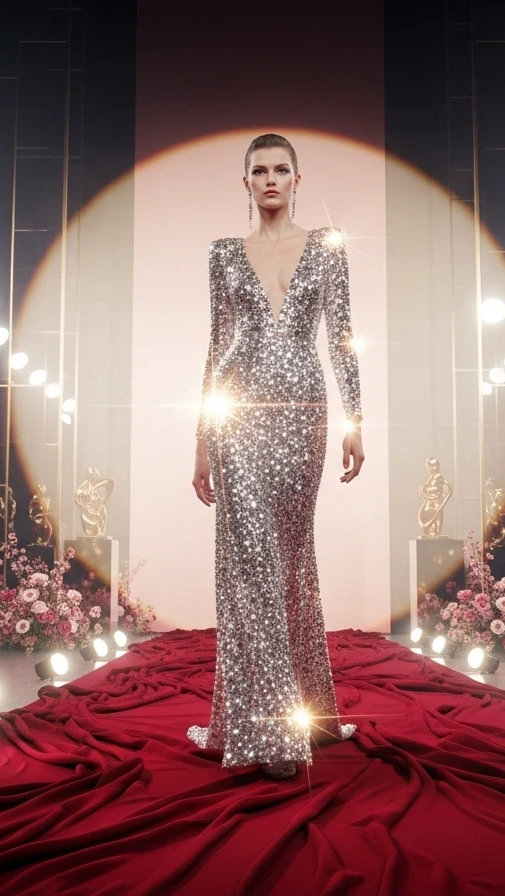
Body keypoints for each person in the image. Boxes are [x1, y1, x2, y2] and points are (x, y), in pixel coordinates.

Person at [189, 134, 365, 780]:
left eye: (280, 169)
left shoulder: (327, 246)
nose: (270, 179)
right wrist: (201, 439)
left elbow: (341, 339)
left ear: (296, 179)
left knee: (289, 562)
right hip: (235, 416)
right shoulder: (223, 254)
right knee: (252, 564)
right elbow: (216, 347)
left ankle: (305, 712)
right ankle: (271, 732)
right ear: (246, 182)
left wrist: (354, 420)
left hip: (303, 416)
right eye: (259, 170)